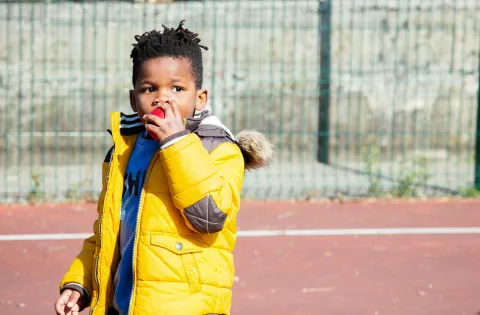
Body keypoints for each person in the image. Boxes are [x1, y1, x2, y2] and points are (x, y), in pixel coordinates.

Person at [54, 20, 274, 315]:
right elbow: (107, 231)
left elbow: (209, 216)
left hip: (187, 306)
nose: (162, 97)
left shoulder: (220, 149)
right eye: (149, 89)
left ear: (200, 98)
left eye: (177, 88)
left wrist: (175, 142)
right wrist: (79, 284)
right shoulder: (123, 151)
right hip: (126, 306)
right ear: (134, 100)